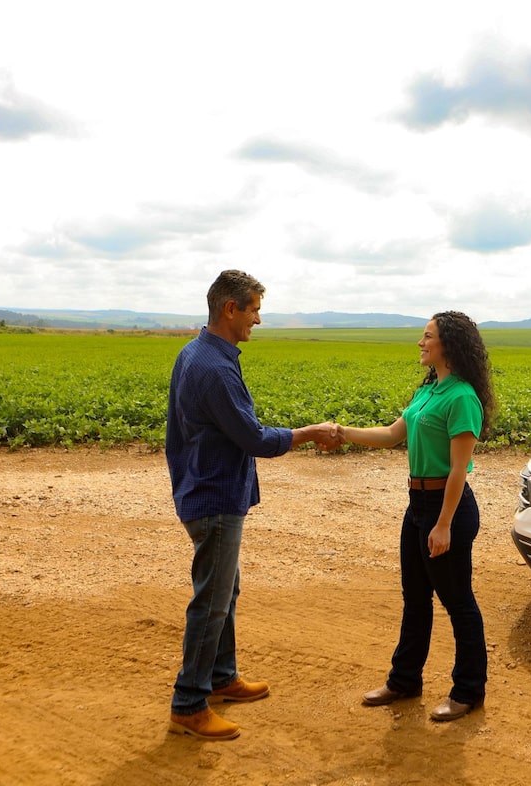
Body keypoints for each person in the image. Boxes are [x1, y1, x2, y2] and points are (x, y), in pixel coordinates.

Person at [166, 269, 339, 741]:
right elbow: (253, 438)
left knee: (225, 593)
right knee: (212, 603)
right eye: (255, 309)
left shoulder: (197, 352)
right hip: (215, 496)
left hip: (204, 488)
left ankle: (221, 678)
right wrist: (309, 432)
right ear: (230, 309)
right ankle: (189, 703)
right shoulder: (215, 367)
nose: (258, 320)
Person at [333, 310, 496, 722]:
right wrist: (341, 431)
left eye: (427, 337)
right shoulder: (429, 391)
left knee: (458, 603)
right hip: (418, 505)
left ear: (450, 345)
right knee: (415, 600)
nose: (420, 343)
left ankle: (468, 691)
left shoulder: (462, 397)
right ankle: (404, 681)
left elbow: (459, 469)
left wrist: (443, 524)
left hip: (448, 508)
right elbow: (391, 435)